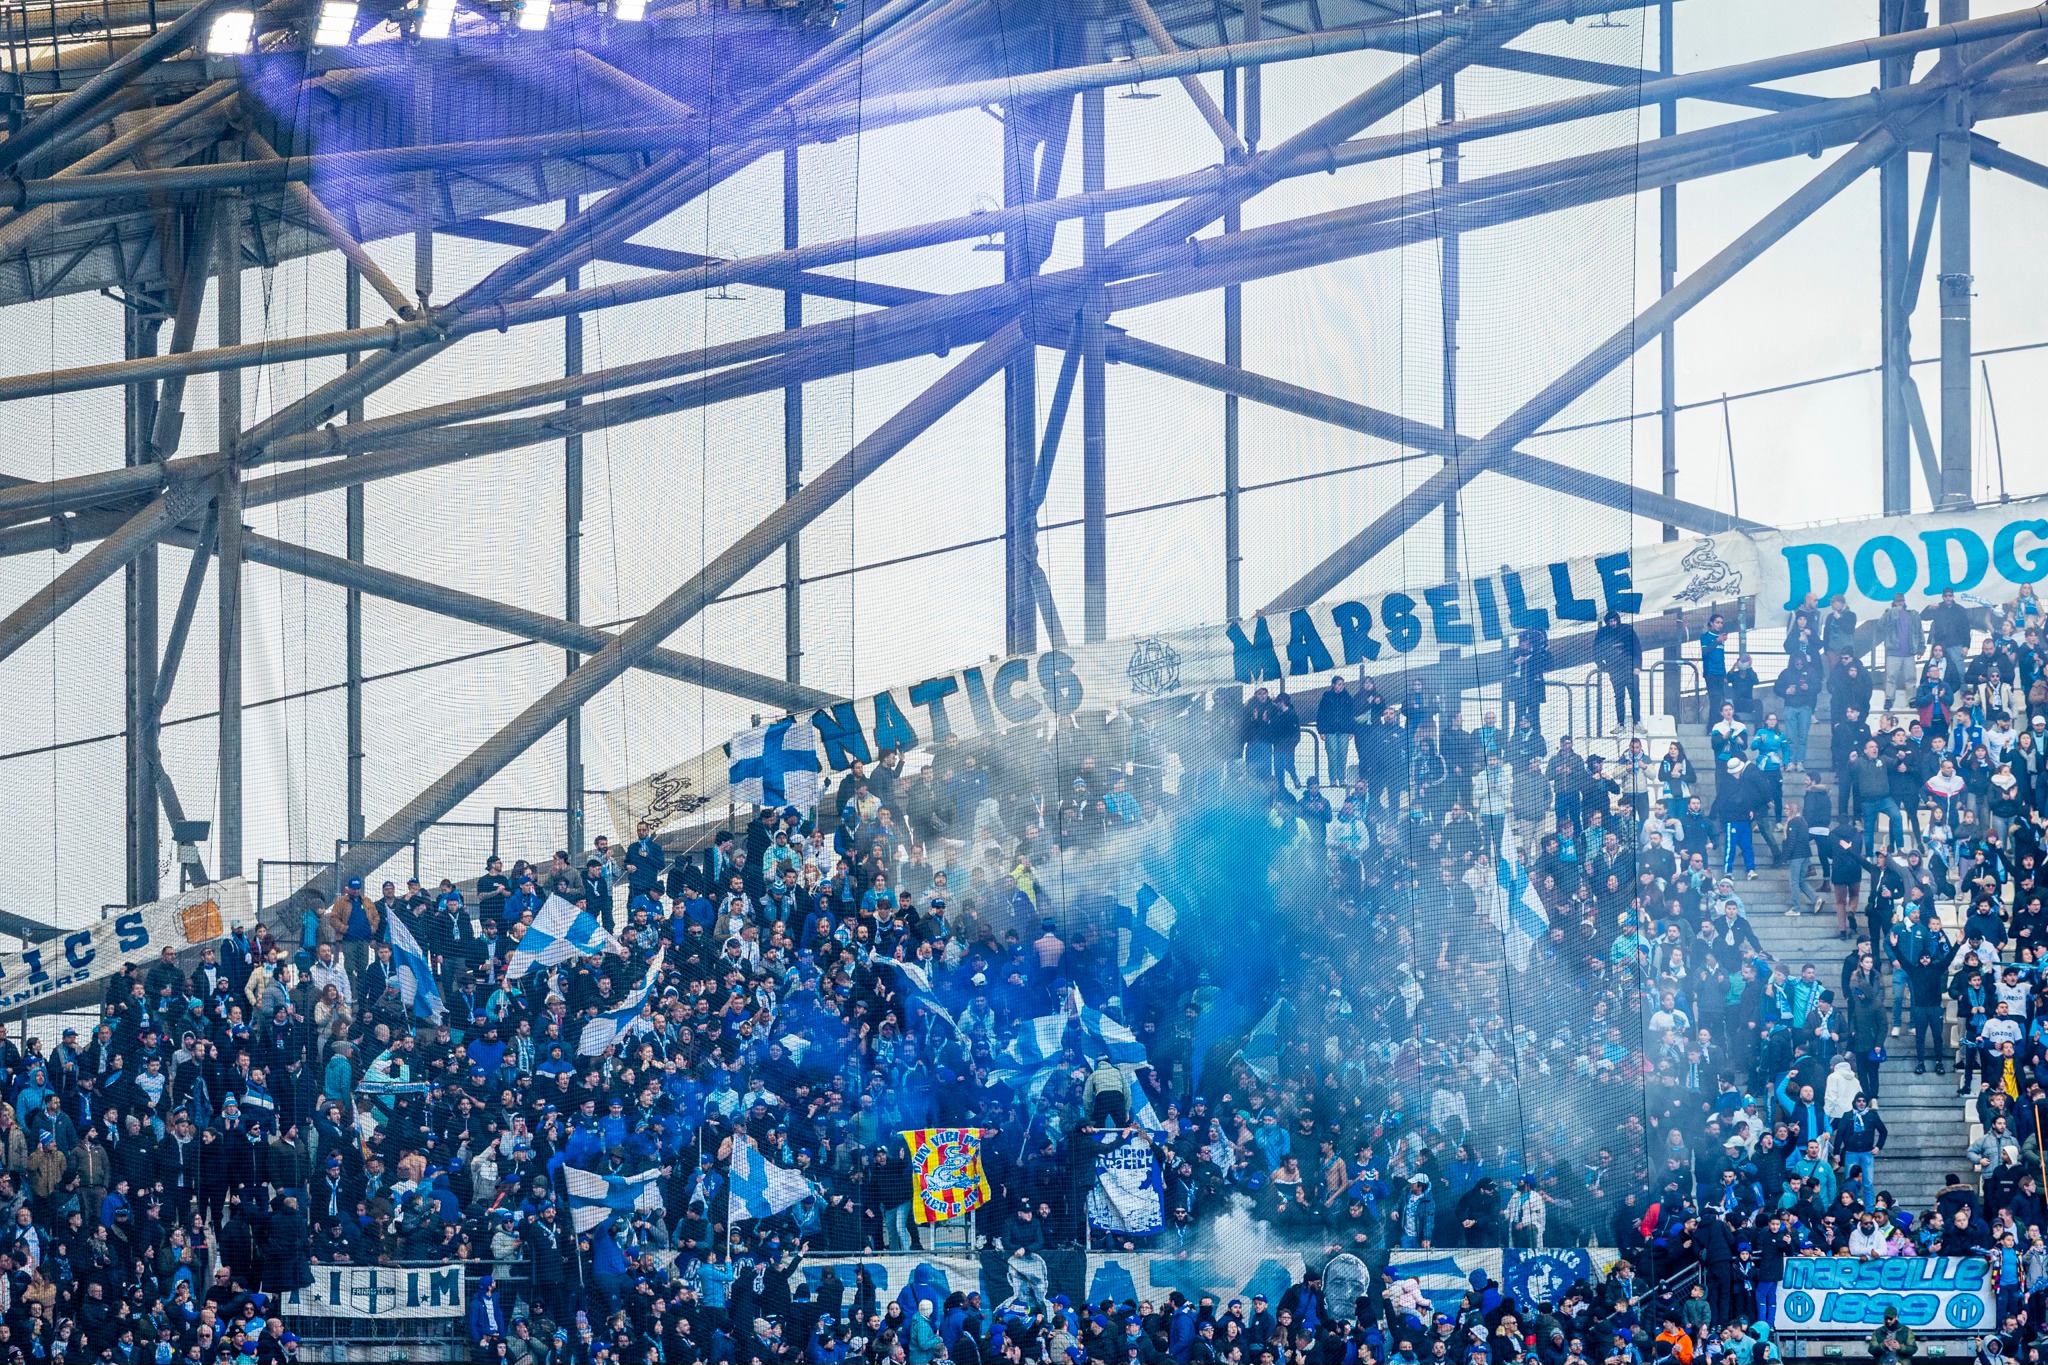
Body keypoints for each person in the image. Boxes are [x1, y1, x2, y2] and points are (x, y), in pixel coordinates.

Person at [1594, 610, 1643, 733]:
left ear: (1618, 620)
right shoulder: (1602, 633)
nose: (1613, 623)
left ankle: (1637, 722)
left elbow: (1637, 648)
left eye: (1614, 621)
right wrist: (1602, 666)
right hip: (1615, 670)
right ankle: (1620, 724)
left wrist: (1637, 666)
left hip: (1630, 668)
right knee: (1619, 697)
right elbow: (1596, 650)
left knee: (1635, 695)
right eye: (1610, 621)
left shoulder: (1627, 629)